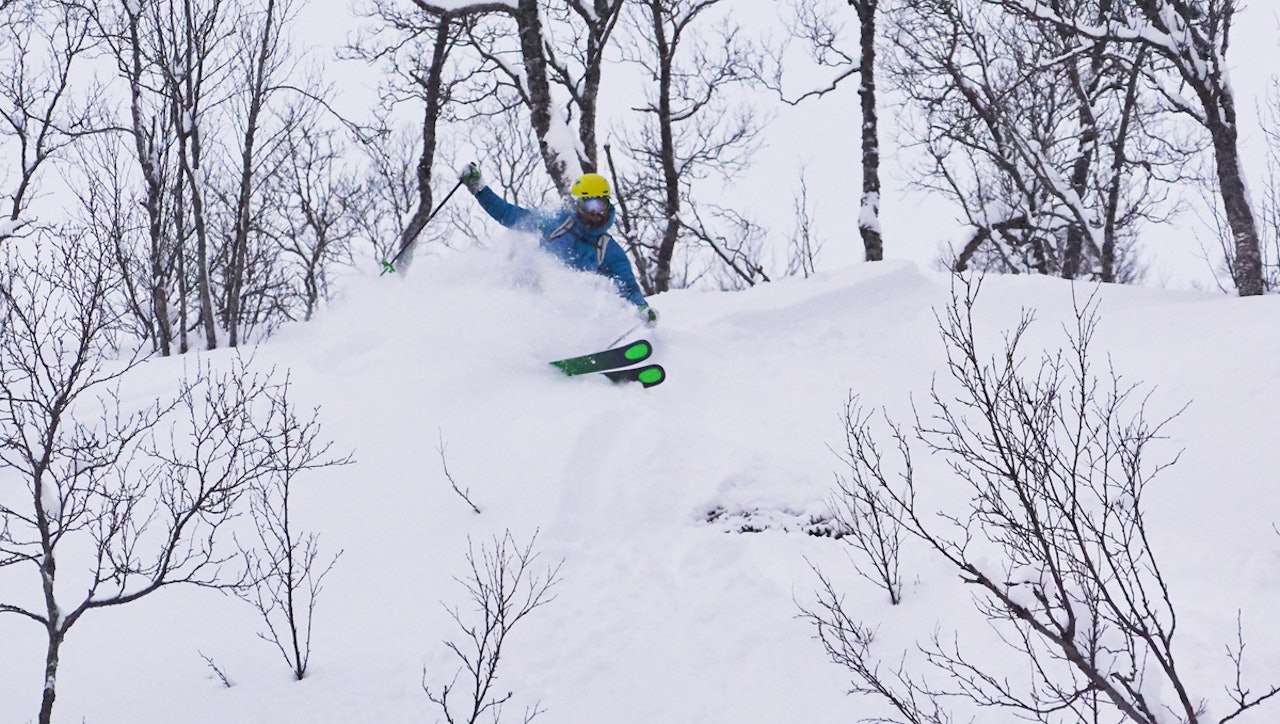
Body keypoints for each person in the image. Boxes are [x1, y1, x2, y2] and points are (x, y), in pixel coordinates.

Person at [458, 162, 657, 326]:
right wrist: (479, 189)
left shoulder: (609, 250)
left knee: (595, 294)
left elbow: (628, 288)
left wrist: (642, 308)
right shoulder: (554, 223)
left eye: (600, 204)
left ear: (607, 204)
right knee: (522, 268)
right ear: (577, 204)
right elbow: (509, 214)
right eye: (588, 204)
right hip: (533, 295)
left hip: (571, 311)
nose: (595, 212)